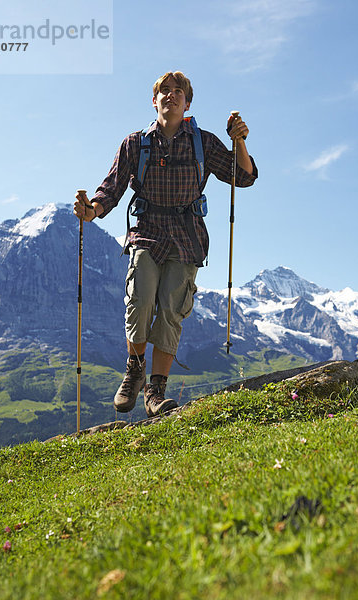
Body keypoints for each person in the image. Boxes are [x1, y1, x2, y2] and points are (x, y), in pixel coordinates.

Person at [74, 70, 257, 418]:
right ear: (154, 100)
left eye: (178, 92)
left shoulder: (202, 141)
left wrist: (240, 141)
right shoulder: (135, 143)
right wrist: (91, 210)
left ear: (187, 103)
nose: (170, 96)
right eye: (164, 91)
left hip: (188, 236)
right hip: (147, 231)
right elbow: (110, 189)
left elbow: (243, 176)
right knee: (140, 298)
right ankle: (135, 368)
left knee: (172, 309)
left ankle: (155, 392)